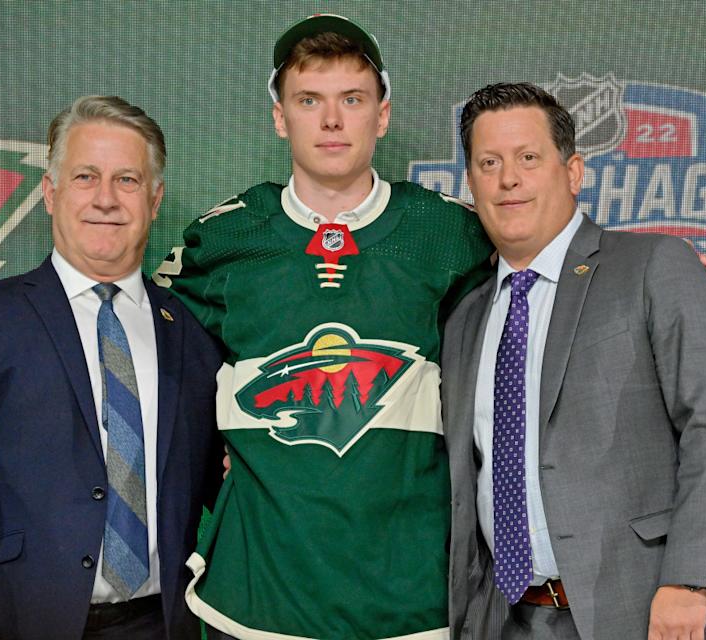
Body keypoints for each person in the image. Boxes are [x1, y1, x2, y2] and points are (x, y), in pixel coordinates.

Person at [154, 14, 494, 640]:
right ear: (280, 117)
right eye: (309, 100)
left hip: (410, 600)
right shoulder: (224, 238)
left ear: (382, 114)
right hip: (257, 601)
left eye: (352, 99)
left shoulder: (450, 233)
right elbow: (154, 361)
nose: (331, 121)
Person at [441, 82, 706, 640]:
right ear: (470, 183)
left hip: (646, 608)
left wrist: (690, 580)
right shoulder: (466, 317)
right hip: (507, 617)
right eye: (488, 162)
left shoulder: (653, 265)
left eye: (528, 158)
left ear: (573, 172)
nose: (507, 178)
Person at [0, 95, 223, 640]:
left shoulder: (193, 333)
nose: (106, 199)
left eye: (127, 180)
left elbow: (221, 485)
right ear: (50, 191)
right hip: (20, 622)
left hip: (161, 625)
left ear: (154, 200)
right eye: (86, 176)